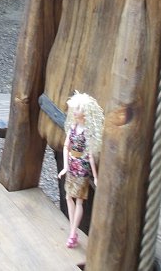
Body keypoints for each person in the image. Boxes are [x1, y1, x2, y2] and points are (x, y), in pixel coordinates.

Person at [57, 91, 104, 248]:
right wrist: (64, 166)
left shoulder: (87, 132)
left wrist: (95, 176)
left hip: (82, 167)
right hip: (71, 163)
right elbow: (65, 147)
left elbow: (90, 155)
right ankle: (73, 230)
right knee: (69, 197)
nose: (75, 112)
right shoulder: (72, 128)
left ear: (85, 111)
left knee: (79, 200)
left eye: (78, 109)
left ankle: (72, 233)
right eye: (74, 109)